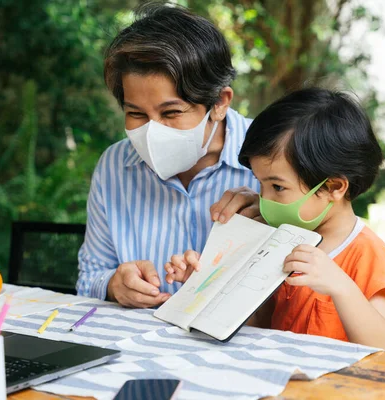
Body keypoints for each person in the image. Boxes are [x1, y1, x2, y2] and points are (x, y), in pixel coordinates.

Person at [165, 88, 385, 352]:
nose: (264, 200)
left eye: (278, 188)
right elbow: (256, 326)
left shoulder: (365, 253)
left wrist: (341, 287)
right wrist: (202, 284)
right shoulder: (277, 239)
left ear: (334, 187)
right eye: (261, 185)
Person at [76, 3, 260, 308]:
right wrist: (114, 284)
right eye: (136, 113)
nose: (152, 132)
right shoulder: (114, 167)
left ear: (220, 103)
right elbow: (89, 277)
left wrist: (273, 216)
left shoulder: (270, 165)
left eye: (171, 112)